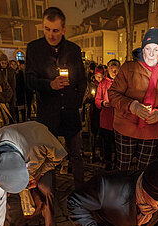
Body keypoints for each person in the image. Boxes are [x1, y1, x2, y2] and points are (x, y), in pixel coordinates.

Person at [25, 7, 86, 189]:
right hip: (48, 113)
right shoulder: (34, 49)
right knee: (46, 155)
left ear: (64, 29)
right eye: (47, 29)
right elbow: (29, 80)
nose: (51, 35)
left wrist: (76, 102)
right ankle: (48, 193)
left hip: (70, 111)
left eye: (55, 30)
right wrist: (48, 85)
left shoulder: (74, 50)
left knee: (75, 153)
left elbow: (82, 81)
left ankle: (81, 191)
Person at [108, 28, 158, 171]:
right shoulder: (128, 68)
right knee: (123, 169)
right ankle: (123, 193)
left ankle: (139, 193)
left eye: (156, 49)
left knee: (144, 171)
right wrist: (132, 106)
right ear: (142, 49)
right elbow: (113, 94)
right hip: (125, 127)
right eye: (148, 48)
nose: (151, 54)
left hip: (151, 130)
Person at [95, 59, 120, 170]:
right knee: (107, 143)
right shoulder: (103, 83)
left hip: (120, 119)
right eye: (112, 69)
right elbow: (97, 100)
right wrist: (103, 103)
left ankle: (118, 162)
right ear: (108, 69)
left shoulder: (122, 83)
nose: (114, 72)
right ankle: (108, 162)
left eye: (116, 69)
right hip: (106, 119)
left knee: (118, 144)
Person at [85, 65, 103, 161]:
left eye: (101, 76)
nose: (99, 78)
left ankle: (100, 152)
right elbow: (85, 97)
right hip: (92, 111)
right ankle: (92, 152)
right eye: (97, 76)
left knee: (101, 133)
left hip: (102, 111)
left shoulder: (104, 84)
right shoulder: (90, 84)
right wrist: (90, 98)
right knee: (93, 132)